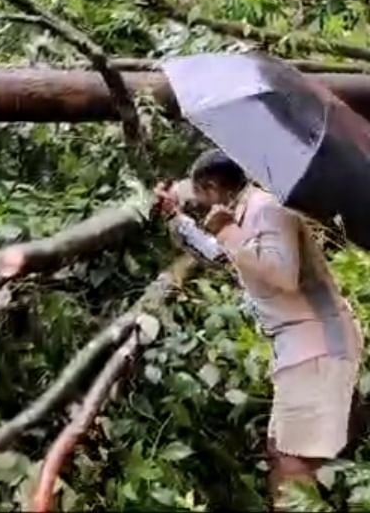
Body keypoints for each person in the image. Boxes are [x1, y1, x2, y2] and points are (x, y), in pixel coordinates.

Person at [155, 149, 364, 500]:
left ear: (213, 186)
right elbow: (228, 257)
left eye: (201, 195)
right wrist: (177, 218)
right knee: (280, 451)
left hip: (319, 348)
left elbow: (282, 275)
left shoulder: (266, 209)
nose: (201, 205)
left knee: (293, 464)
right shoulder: (242, 211)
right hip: (301, 350)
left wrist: (227, 232)